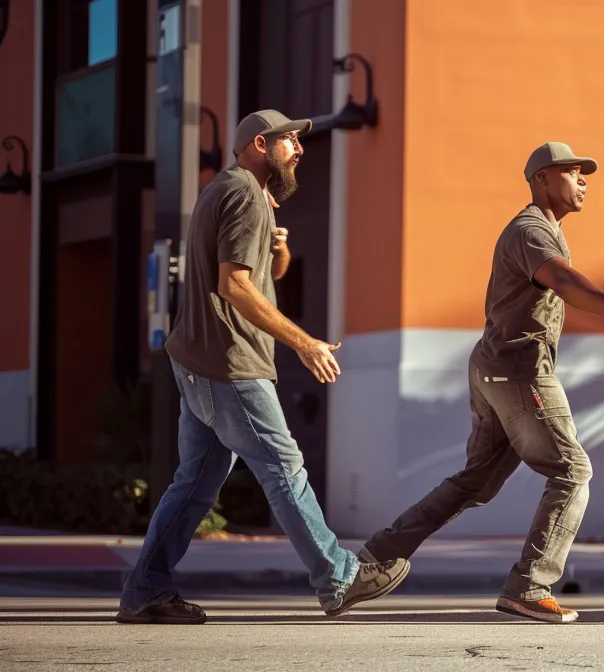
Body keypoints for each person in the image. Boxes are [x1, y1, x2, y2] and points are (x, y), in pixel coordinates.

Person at [118, 110, 410, 624]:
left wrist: (281, 249)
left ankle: (145, 588)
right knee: (284, 467)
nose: (299, 149)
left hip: (199, 363)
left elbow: (261, 276)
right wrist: (304, 343)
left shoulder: (225, 190)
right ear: (261, 143)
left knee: (194, 485)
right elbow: (233, 285)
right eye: (290, 140)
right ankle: (338, 577)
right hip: (231, 363)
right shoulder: (246, 195)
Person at [355, 142, 604, 623]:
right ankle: (531, 585)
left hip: (495, 367)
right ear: (541, 179)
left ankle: (373, 560)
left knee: (476, 481)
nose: (583, 181)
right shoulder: (531, 230)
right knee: (572, 471)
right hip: (519, 372)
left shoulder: (544, 230)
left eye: (585, 175)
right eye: (572, 172)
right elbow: (563, 281)